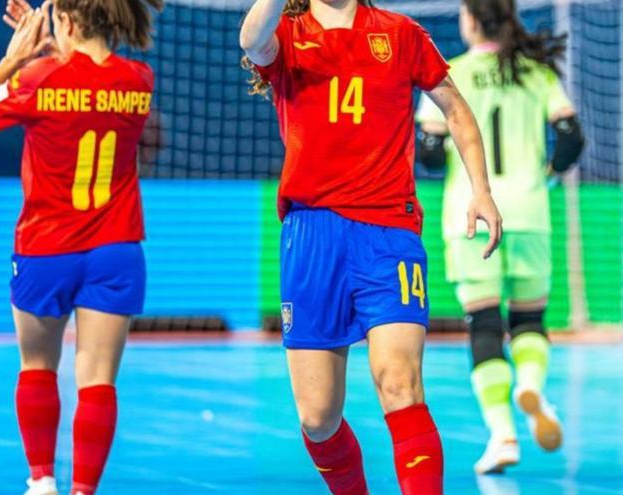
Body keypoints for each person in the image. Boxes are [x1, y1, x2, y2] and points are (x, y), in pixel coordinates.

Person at [241, 0, 503, 493]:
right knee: (318, 418)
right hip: (312, 235)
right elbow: (251, 39)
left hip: (389, 232)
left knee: (400, 384)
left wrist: (481, 189)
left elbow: (456, 109)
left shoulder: (401, 34)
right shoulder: (289, 33)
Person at [0, 0, 161, 493]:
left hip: (46, 247)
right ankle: (83, 490)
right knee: (97, 379)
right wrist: (60, 51)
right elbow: (88, 85)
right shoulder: (138, 80)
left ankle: (42, 481)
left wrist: (18, 56)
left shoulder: (39, 79)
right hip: (115, 249)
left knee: (37, 367)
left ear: (68, 22)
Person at [416, 0, 584, 476]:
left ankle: (503, 434)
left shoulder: (449, 73)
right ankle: (530, 383)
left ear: (471, 20)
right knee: (530, 317)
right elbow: (571, 137)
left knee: (484, 324)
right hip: (529, 210)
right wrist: (547, 175)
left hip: (470, 214)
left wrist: (444, 157)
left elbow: (428, 152)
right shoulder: (536, 71)